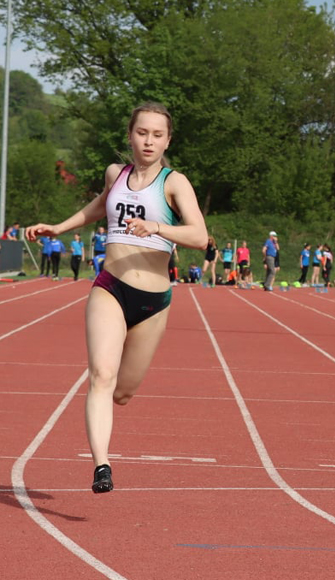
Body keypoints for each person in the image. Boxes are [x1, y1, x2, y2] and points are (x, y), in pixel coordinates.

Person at [24, 101, 207, 492]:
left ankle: (107, 440)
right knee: (101, 376)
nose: (148, 141)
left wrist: (157, 226)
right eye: (142, 133)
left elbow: (198, 236)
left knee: (122, 393)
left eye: (157, 135)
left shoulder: (175, 183)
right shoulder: (115, 173)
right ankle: (102, 465)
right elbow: (97, 207)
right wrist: (58, 227)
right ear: (130, 134)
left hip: (153, 301)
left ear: (167, 140)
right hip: (110, 286)